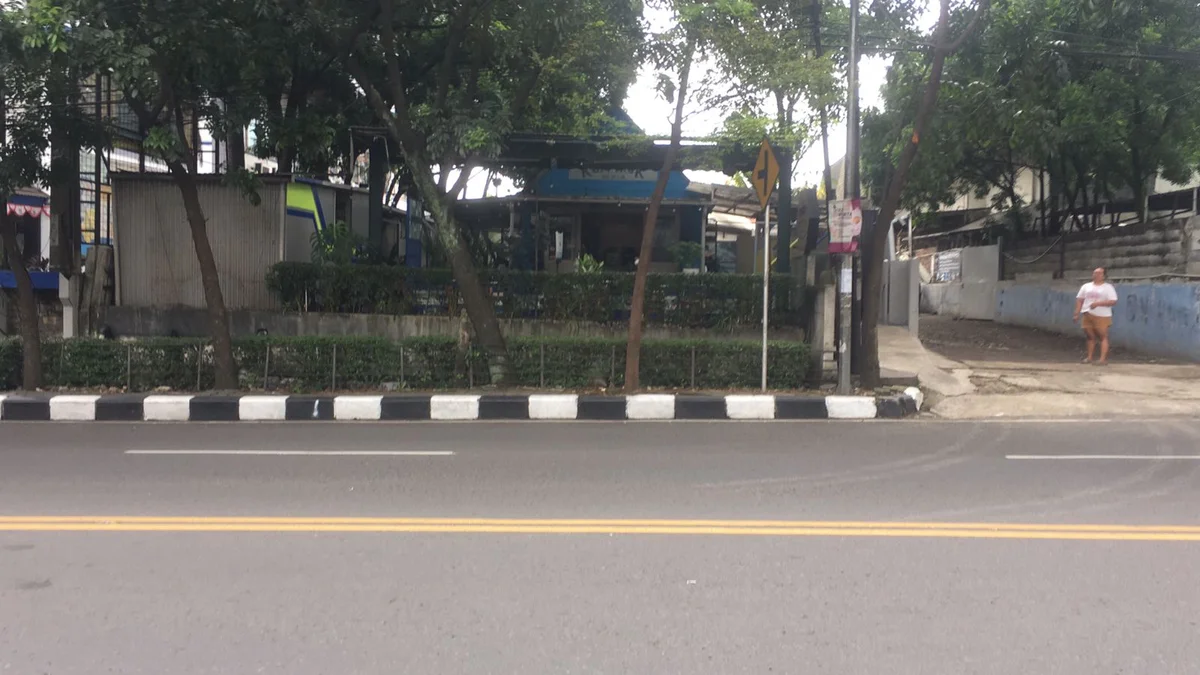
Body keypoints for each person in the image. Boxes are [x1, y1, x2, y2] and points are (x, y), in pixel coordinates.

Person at [1074, 267, 1118, 365]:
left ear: (1104, 276)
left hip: (1102, 315)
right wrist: (1076, 313)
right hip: (1087, 313)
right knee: (1090, 336)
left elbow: (1113, 301)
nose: (1096, 275)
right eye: (1095, 273)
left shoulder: (1108, 287)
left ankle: (1102, 359)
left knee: (1102, 336)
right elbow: (1080, 299)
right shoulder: (1086, 286)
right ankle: (1089, 357)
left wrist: (1098, 304)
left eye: (1099, 273)